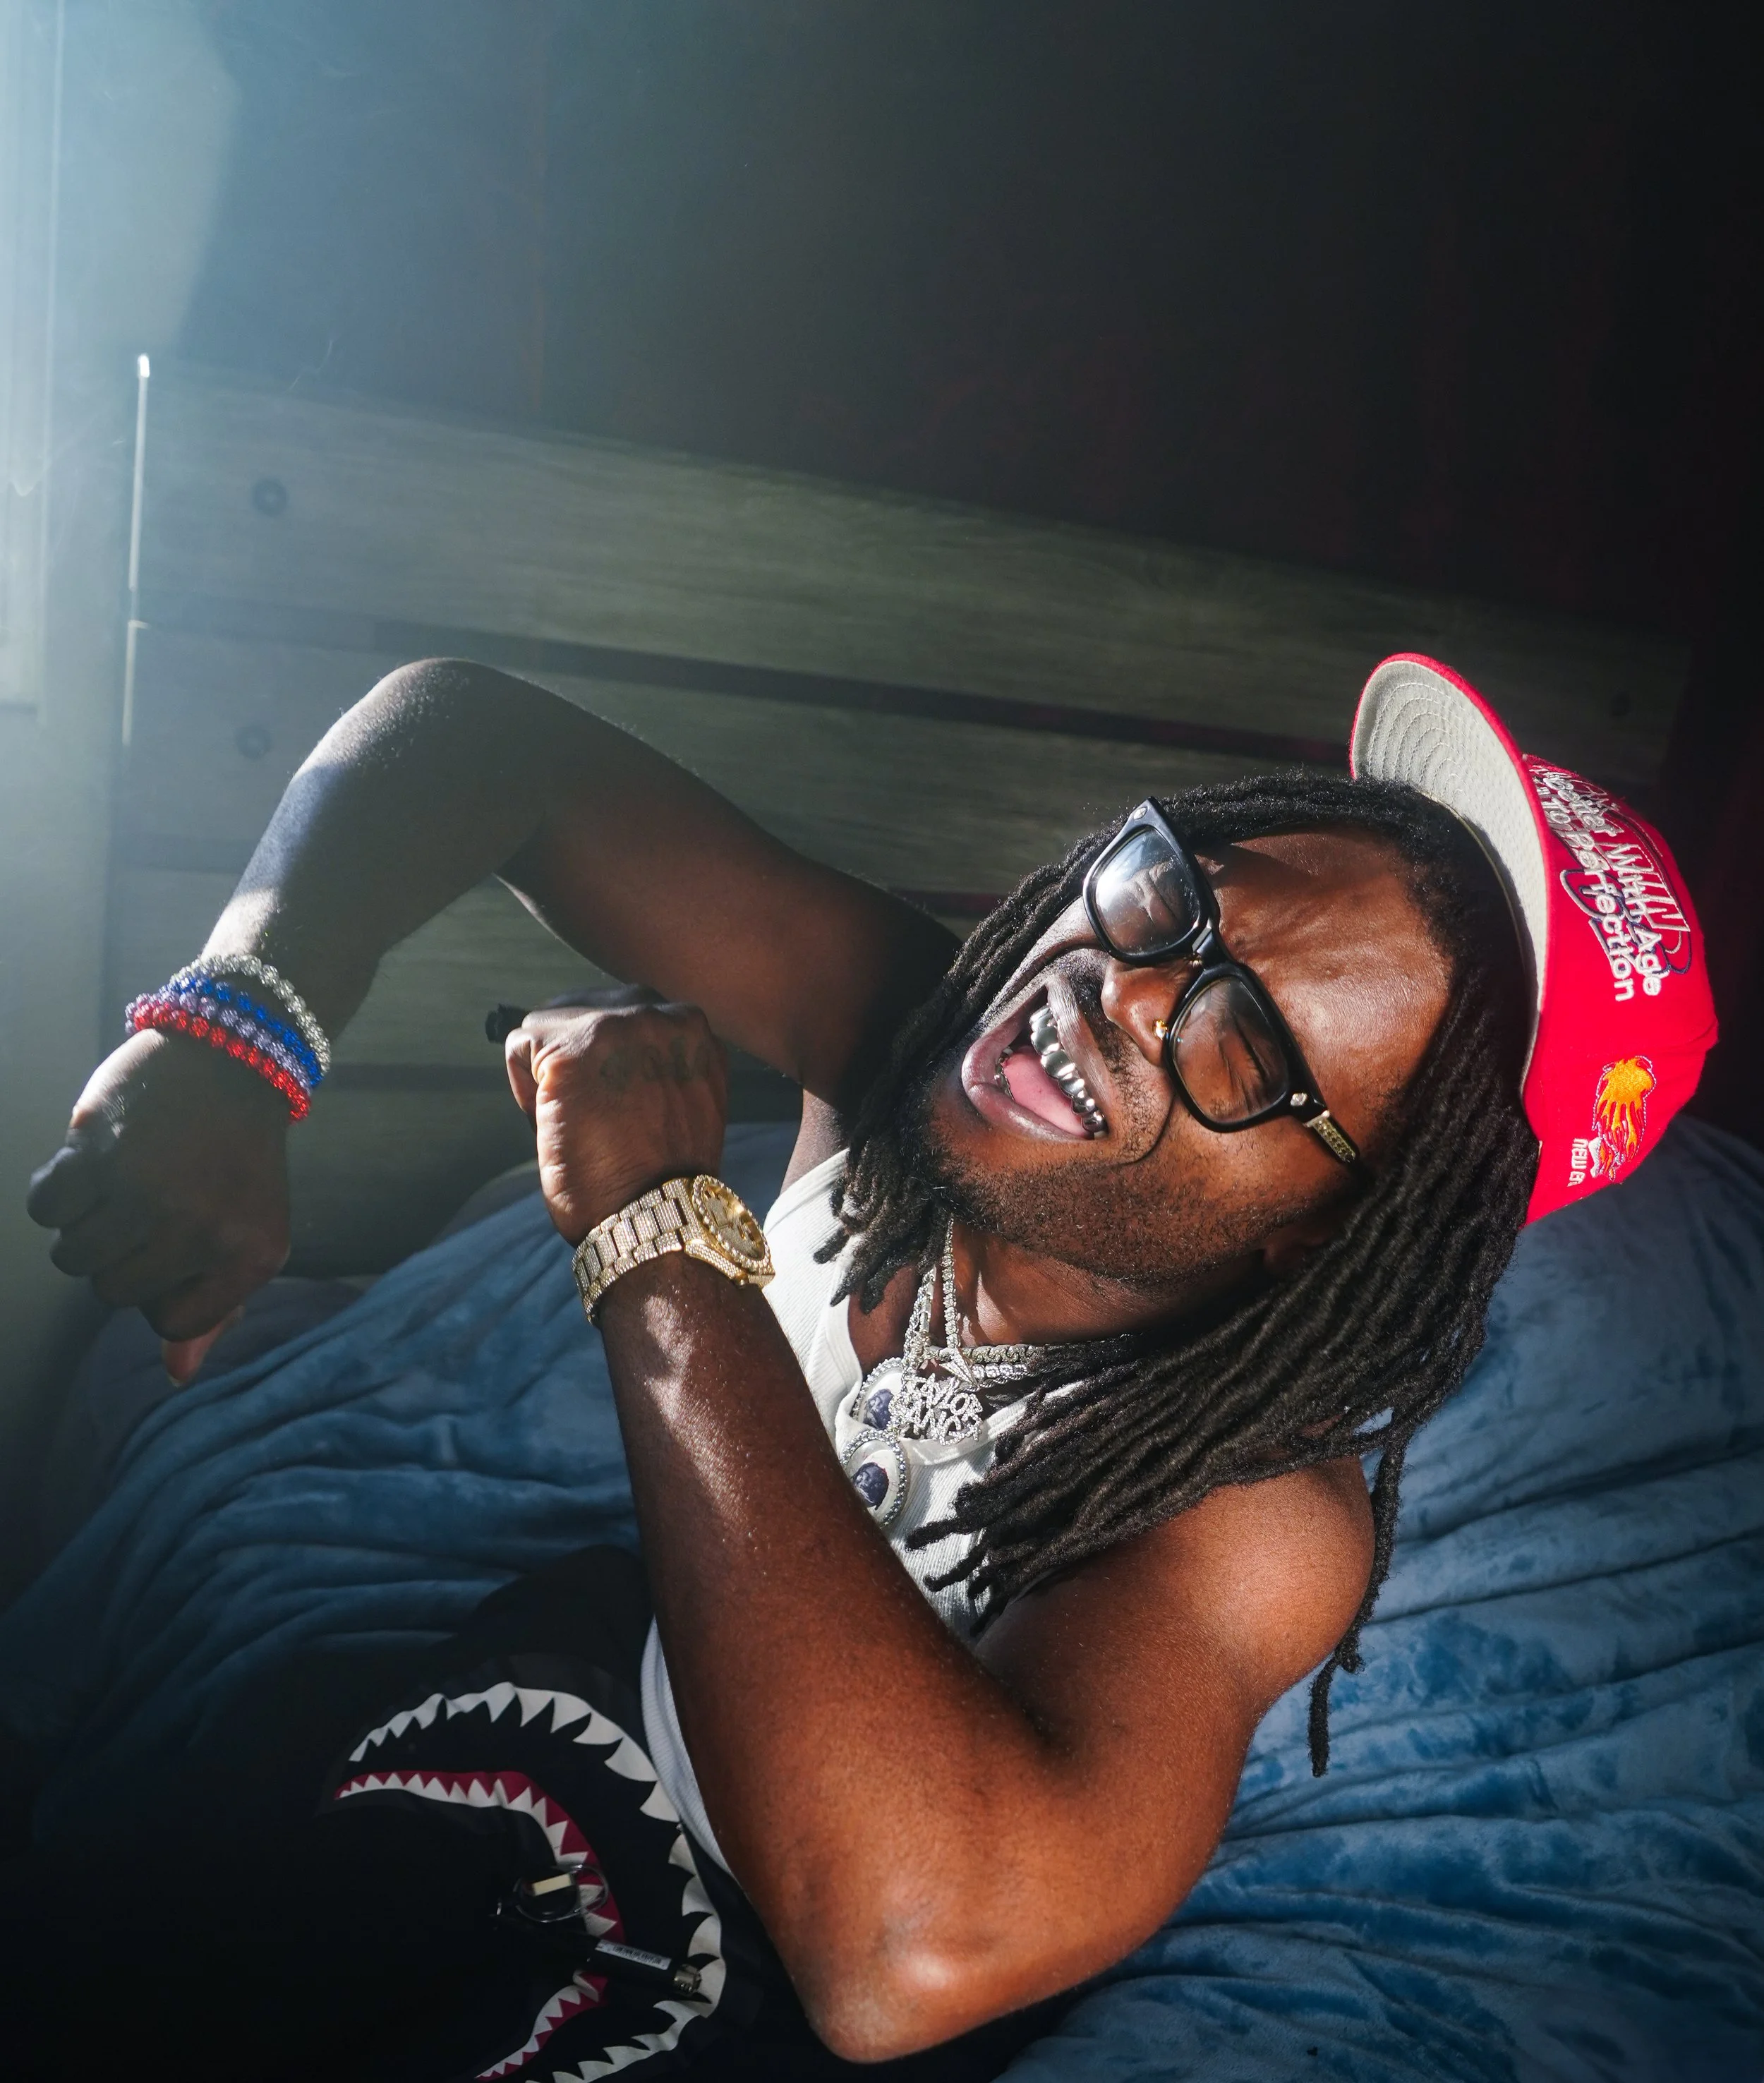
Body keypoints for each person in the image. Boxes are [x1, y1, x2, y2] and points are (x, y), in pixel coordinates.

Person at [13, 653, 1714, 2079]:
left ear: (1322, 1235)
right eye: (1176, 897)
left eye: (1245, 1043)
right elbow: (481, 739)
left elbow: (905, 1949)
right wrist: (242, 1023)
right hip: (552, 1707)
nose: (1118, 992)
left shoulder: (1250, 1515)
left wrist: (660, 1239)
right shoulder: (914, 1025)